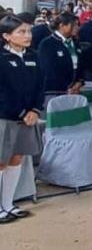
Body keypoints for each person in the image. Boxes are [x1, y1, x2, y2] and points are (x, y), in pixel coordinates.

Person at [0, 15, 44, 223]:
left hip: (28, 117)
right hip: (6, 118)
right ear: (7, 36)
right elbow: (3, 93)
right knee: (1, 162)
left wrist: (35, 109)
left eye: (28, 31)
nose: (28, 35)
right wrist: (21, 113)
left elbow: (39, 86)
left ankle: (8, 204)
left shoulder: (33, 56)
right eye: (21, 32)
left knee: (17, 158)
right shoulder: (1, 58)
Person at [37, 12, 83, 107]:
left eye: (78, 25)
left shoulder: (75, 42)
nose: (77, 28)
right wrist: (66, 87)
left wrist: (79, 82)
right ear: (62, 26)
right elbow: (48, 70)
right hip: (54, 91)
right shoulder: (47, 44)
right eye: (74, 26)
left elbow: (80, 64)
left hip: (74, 90)